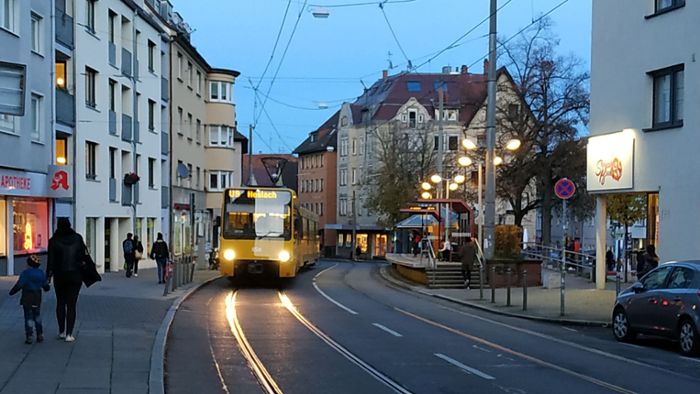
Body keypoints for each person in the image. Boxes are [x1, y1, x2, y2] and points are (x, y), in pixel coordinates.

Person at [47, 218, 86, 342]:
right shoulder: (77, 238)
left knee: (60, 303)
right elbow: (83, 255)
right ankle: (70, 334)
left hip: (60, 276)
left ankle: (62, 331)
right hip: (75, 275)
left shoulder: (53, 241)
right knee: (72, 304)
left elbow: (50, 261)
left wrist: (48, 276)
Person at [9, 255, 50, 344]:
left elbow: (19, 285)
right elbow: (45, 285)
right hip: (37, 296)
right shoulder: (41, 273)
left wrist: (12, 292)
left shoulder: (26, 273)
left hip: (27, 296)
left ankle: (30, 335)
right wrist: (46, 288)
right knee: (37, 315)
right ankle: (40, 334)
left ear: (28, 264)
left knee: (28, 316)